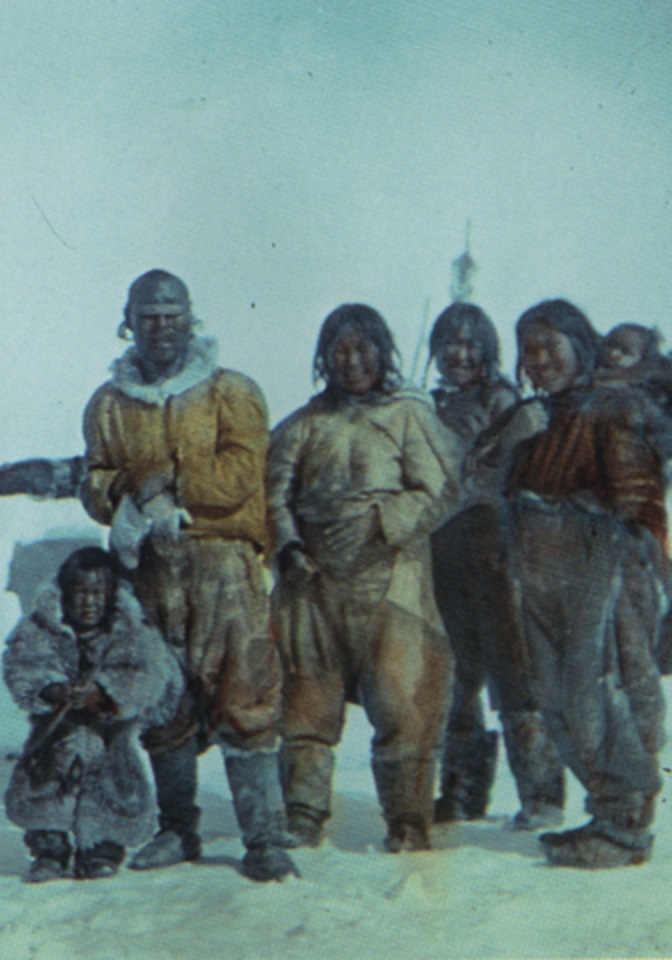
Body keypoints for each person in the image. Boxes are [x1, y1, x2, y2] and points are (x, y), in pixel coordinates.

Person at [81, 269, 297, 882]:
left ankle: (263, 837)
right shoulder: (108, 404)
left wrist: (169, 478)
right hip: (150, 569)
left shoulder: (231, 392)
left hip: (222, 564)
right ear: (129, 320)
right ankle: (178, 828)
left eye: (173, 314)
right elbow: (95, 484)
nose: (162, 326)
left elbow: (240, 477)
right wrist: (126, 488)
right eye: (149, 315)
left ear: (190, 317)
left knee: (245, 694)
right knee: (162, 698)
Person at [268, 303, 460, 852]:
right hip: (315, 583)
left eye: (363, 349)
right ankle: (303, 812)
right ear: (325, 358)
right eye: (340, 350)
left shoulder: (408, 416)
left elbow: (442, 485)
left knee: (403, 701)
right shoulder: (305, 424)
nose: (352, 361)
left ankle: (407, 820)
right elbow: (274, 492)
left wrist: (385, 520)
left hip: (391, 578)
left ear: (383, 351)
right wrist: (289, 545)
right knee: (306, 698)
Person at [504, 299, 667, 868]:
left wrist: (631, 564)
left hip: (599, 568)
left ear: (580, 340)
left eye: (551, 343)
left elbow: (639, 496)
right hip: (539, 571)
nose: (540, 357)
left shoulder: (611, 407)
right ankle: (605, 811)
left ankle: (625, 823)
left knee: (601, 692)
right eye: (529, 347)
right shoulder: (537, 417)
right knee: (555, 700)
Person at [3, 547, 182, 882]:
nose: (88, 601)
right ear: (66, 592)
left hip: (111, 733)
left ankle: (101, 846)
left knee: (110, 779)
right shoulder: (43, 626)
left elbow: (149, 675)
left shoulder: (132, 629)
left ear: (111, 593)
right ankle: (50, 847)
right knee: (48, 780)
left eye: (97, 593)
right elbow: (23, 664)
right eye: (80, 592)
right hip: (56, 731)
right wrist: (53, 689)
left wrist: (106, 693)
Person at [425, 303, 522, 824]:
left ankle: (537, 795)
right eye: (448, 344)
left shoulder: (503, 402)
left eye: (469, 345)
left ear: (487, 349)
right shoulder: (426, 403)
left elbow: (500, 475)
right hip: (439, 557)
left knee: (508, 674)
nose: (458, 355)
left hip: (491, 553)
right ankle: (460, 790)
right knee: (453, 675)